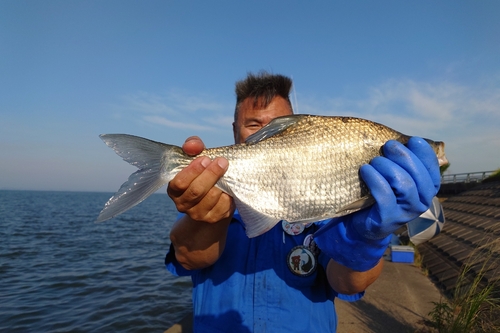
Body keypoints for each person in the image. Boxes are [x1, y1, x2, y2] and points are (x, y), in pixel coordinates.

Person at [165, 72, 441, 332]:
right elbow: (187, 258)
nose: (268, 134)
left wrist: (367, 239)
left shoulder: (325, 200)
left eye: (278, 126)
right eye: (254, 125)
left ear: (299, 132)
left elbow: (346, 284)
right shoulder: (208, 194)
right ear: (235, 129)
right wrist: (209, 219)